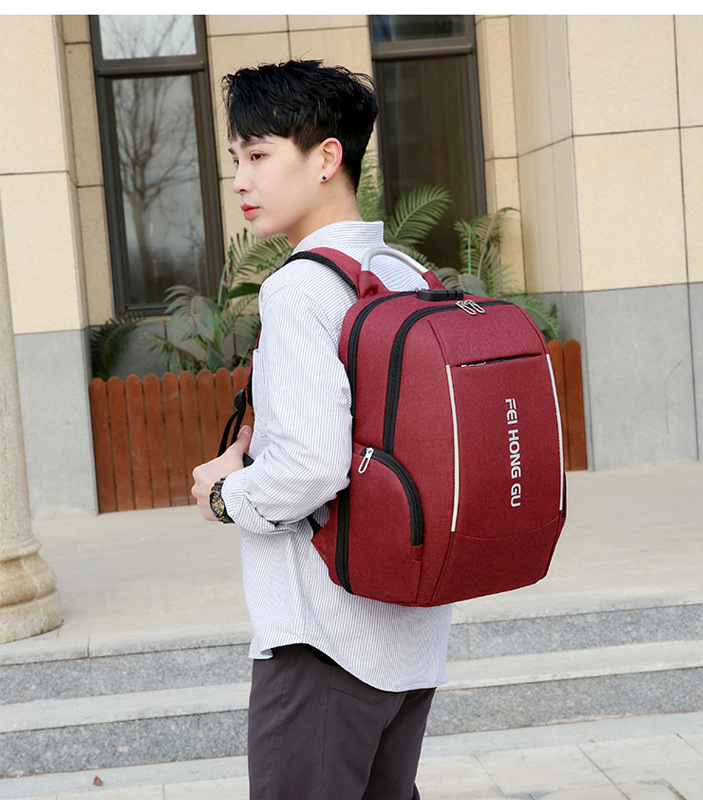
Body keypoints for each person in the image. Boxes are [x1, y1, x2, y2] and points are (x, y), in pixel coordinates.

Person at [191, 59, 453, 800]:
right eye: (236, 159)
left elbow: (311, 466)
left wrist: (224, 494)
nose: (240, 180)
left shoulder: (300, 288)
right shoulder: (405, 273)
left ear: (327, 157)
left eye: (258, 155)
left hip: (323, 639)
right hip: (411, 634)